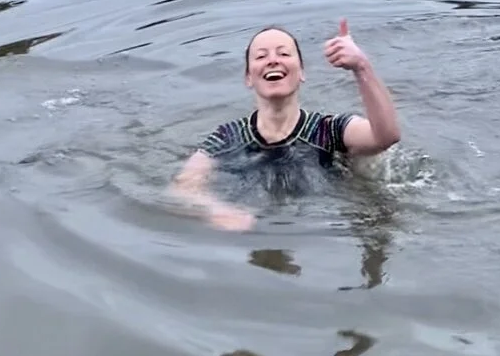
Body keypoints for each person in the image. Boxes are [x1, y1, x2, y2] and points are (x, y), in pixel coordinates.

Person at [170, 19, 401, 231]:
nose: (273, 60)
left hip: (322, 228)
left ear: (301, 72)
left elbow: (385, 136)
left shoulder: (327, 130)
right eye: (261, 57)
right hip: (255, 228)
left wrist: (361, 67)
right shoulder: (228, 137)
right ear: (248, 78)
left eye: (283, 53)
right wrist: (216, 210)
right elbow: (181, 189)